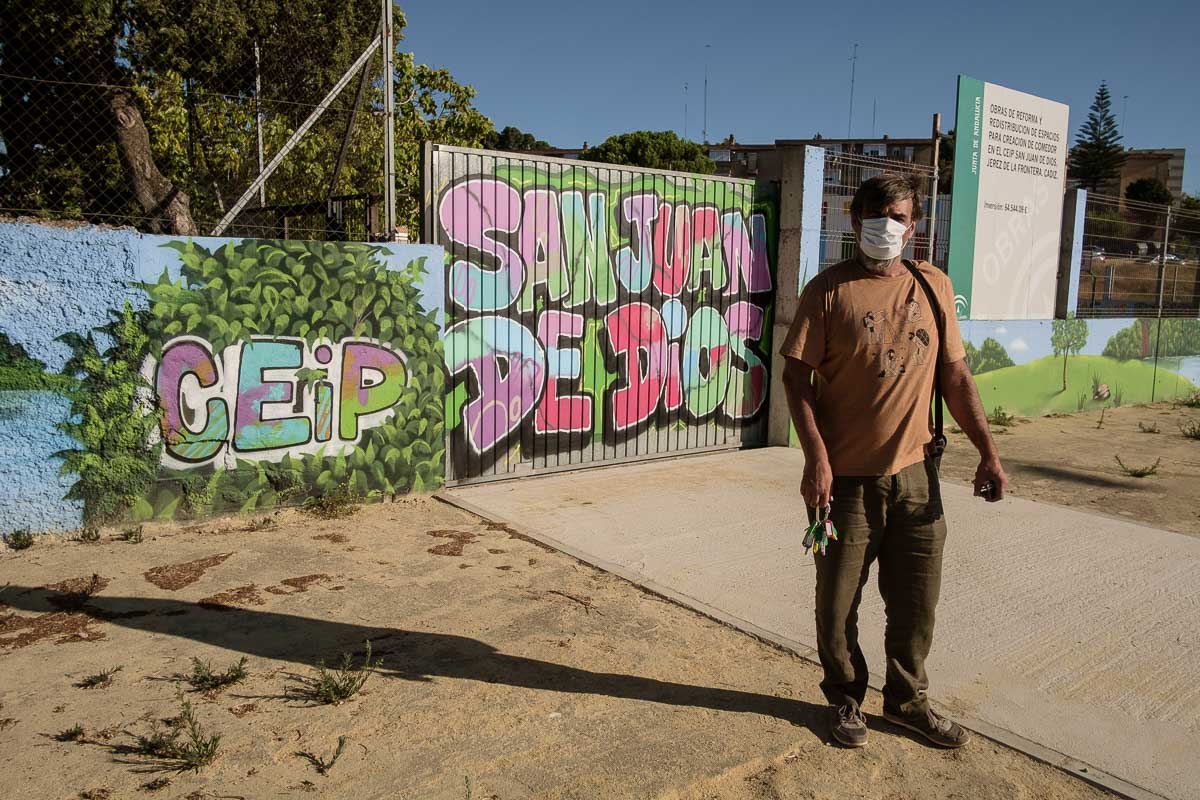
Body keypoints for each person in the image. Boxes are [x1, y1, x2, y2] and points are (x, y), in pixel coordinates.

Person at [780, 173, 1009, 749]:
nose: (887, 227)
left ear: (915, 225)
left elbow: (955, 376)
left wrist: (988, 452)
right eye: (876, 216)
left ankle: (907, 702)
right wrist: (815, 458)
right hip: (845, 482)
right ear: (855, 221)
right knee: (837, 606)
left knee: (916, 604)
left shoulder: (933, 286)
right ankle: (846, 698)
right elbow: (796, 378)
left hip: (917, 477)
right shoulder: (828, 290)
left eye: (899, 217)